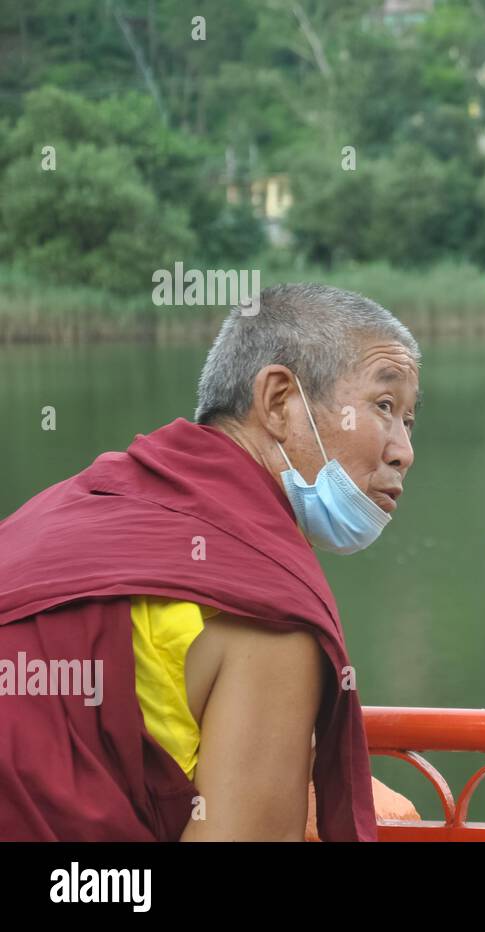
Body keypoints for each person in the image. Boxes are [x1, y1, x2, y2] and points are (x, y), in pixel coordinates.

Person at [0, 283, 421, 840]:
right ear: (277, 400)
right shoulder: (265, 607)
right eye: (384, 407)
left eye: (408, 421)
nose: (403, 451)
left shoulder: (60, 507)